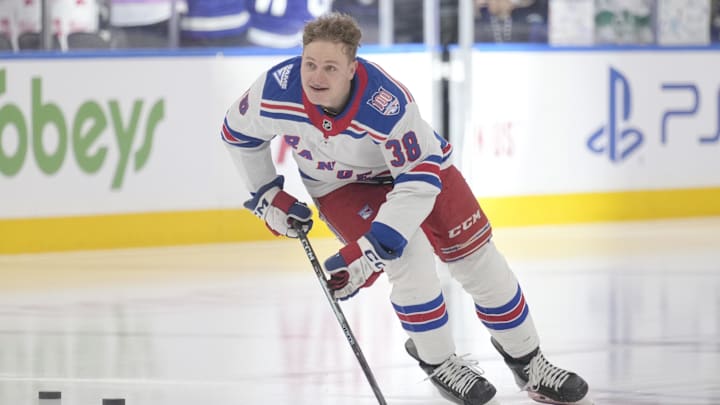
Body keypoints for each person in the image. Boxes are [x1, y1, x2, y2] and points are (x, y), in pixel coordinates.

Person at [221, 12, 590, 405]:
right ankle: (439, 361)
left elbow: (417, 182)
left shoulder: (387, 103)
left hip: (420, 174)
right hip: (341, 187)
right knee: (410, 260)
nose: (316, 76)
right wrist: (266, 195)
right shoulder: (276, 90)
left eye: (330, 67)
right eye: (310, 64)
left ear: (352, 69)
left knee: (480, 263)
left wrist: (370, 250)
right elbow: (236, 133)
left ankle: (530, 364)